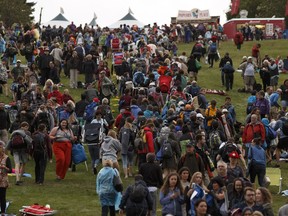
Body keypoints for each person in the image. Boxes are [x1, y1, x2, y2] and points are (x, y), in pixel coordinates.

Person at [0, 141, 12, 215]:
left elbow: (10, 170)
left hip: (3, 180)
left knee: (2, 196)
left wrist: (5, 167)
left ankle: (3, 212)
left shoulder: (7, 158)